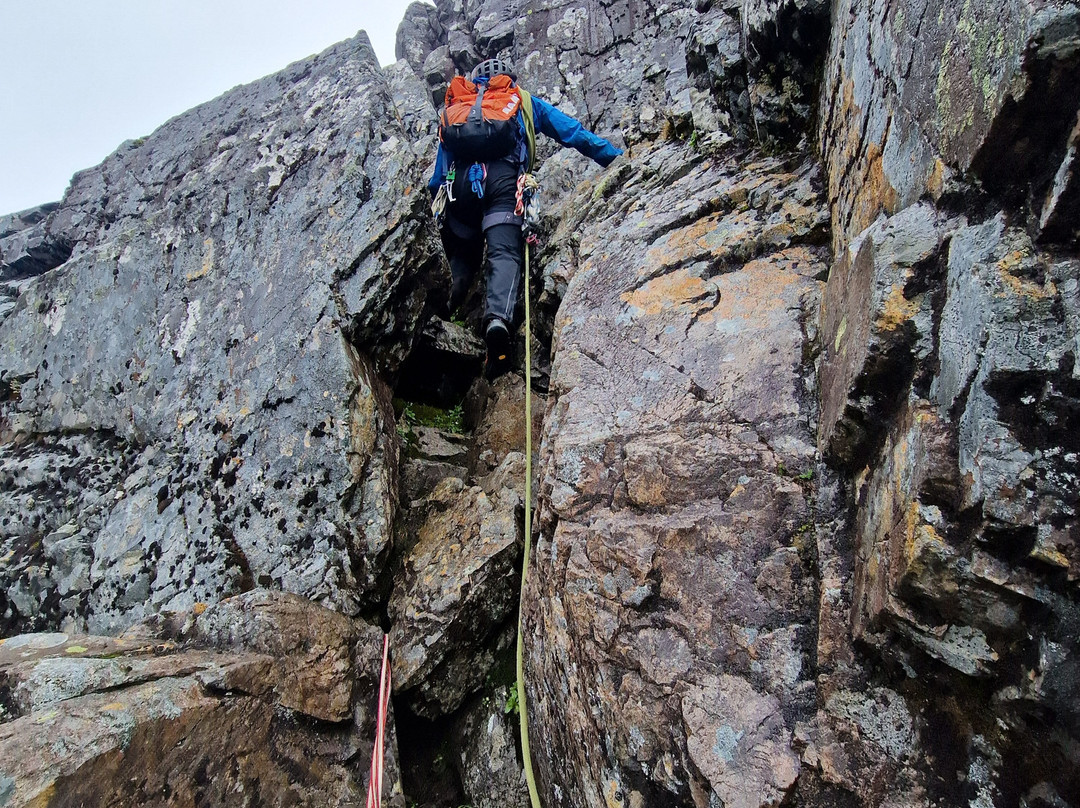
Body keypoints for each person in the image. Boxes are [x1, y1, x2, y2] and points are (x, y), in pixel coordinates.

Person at [428, 58, 622, 378]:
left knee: (462, 247)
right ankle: (496, 323)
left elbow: (438, 174)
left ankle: (447, 308)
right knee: (504, 251)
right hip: (504, 181)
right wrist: (610, 156)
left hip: (460, 185)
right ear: (506, 77)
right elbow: (570, 132)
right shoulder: (521, 100)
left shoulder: (459, 106)